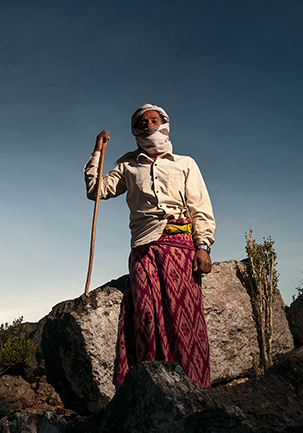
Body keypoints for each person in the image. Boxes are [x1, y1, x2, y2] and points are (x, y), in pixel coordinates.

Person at [83, 103, 215, 389]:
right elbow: (96, 191)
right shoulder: (128, 165)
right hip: (143, 246)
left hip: (180, 244)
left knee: (185, 316)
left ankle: (194, 387)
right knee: (145, 313)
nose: (148, 126)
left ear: (164, 123)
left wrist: (203, 246)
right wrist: (97, 152)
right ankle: (152, 388)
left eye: (153, 120)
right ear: (135, 131)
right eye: (142, 123)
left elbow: (200, 208)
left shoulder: (185, 163)